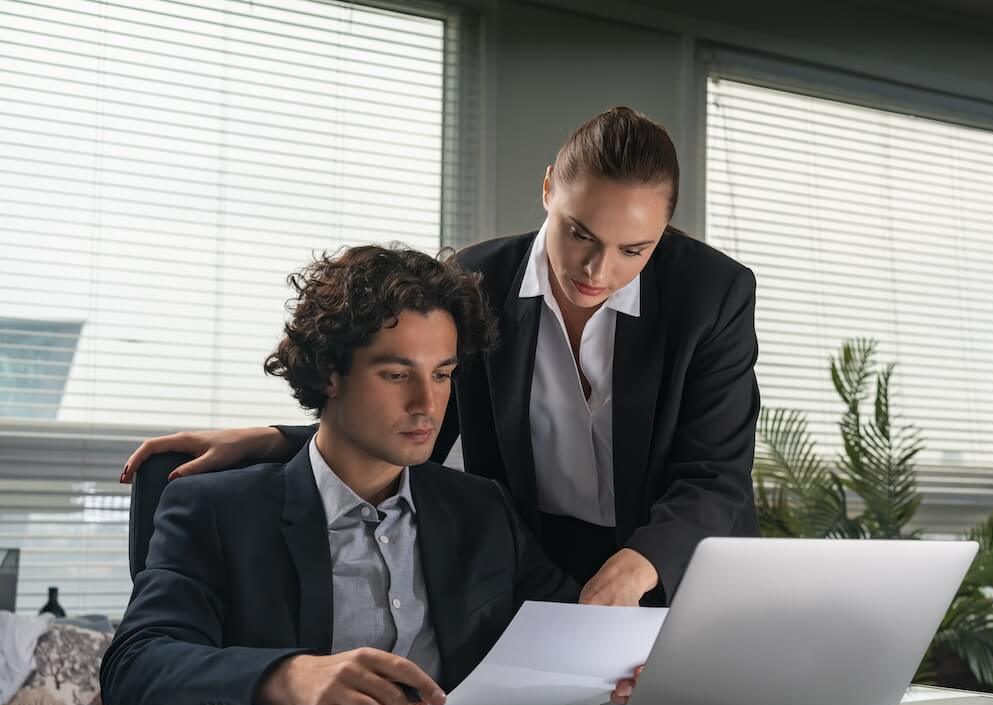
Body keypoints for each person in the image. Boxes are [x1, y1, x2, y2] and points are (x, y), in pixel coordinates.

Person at [120, 107, 761, 608]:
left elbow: (714, 473)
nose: (599, 269)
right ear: (547, 191)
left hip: (675, 553)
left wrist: (643, 562)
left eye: (635, 249)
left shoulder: (712, 293)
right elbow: (422, 421)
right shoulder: (477, 279)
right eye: (580, 234)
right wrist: (270, 440)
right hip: (535, 553)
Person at [100, 245, 636, 705]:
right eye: (397, 375)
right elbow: (135, 667)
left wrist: (634, 664)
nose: (427, 404)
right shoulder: (217, 510)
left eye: (443, 374)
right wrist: (286, 678)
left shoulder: (481, 509)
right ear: (331, 374)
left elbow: (578, 634)